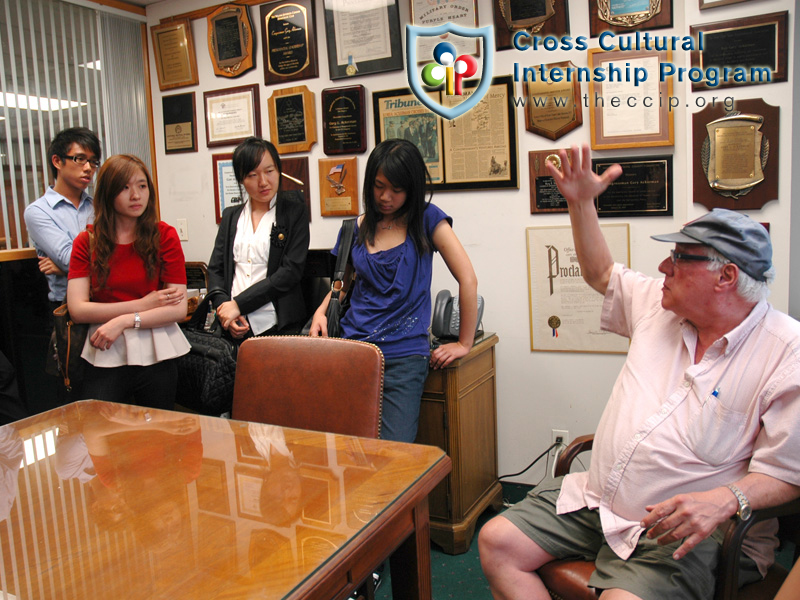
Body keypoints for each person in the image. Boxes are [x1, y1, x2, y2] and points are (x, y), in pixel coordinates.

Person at [479, 144, 800, 600]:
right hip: (599, 500)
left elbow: (787, 473)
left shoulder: (786, 353)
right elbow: (599, 272)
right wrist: (581, 203)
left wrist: (725, 500)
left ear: (726, 277)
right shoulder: (658, 304)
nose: (663, 267)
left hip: (680, 529)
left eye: (681, 257)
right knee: (496, 542)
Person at [309, 138, 478, 443]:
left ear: (412, 188)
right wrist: (320, 312)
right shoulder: (355, 228)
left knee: (394, 452)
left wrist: (464, 343)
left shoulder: (427, 219)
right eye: (378, 186)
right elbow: (342, 284)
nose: (386, 197)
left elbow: (468, 279)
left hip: (403, 357)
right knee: (349, 448)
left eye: (397, 189)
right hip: (352, 351)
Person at [66, 154, 190, 409]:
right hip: (103, 349)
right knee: (101, 436)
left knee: (159, 438)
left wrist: (124, 321)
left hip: (157, 350)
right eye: (125, 187)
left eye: (142, 186)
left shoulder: (164, 235)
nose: (136, 195)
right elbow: (78, 310)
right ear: (108, 194)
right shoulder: (86, 241)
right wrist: (144, 304)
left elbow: (177, 309)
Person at [199, 137, 310, 340]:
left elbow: (290, 272)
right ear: (241, 179)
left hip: (277, 325)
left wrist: (239, 304)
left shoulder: (295, 213)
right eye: (252, 174)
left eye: (269, 171)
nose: (263, 182)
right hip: (233, 325)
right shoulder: (231, 216)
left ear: (278, 170)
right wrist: (225, 309)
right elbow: (216, 269)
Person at [24, 127, 102, 308]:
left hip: (106, 298)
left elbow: (121, 257)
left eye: (93, 161)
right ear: (57, 161)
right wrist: (69, 265)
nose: (88, 168)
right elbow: (69, 258)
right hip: (66, 307)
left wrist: (63, 269)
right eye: (80, 159)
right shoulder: (39, 211)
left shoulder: (98, 207)